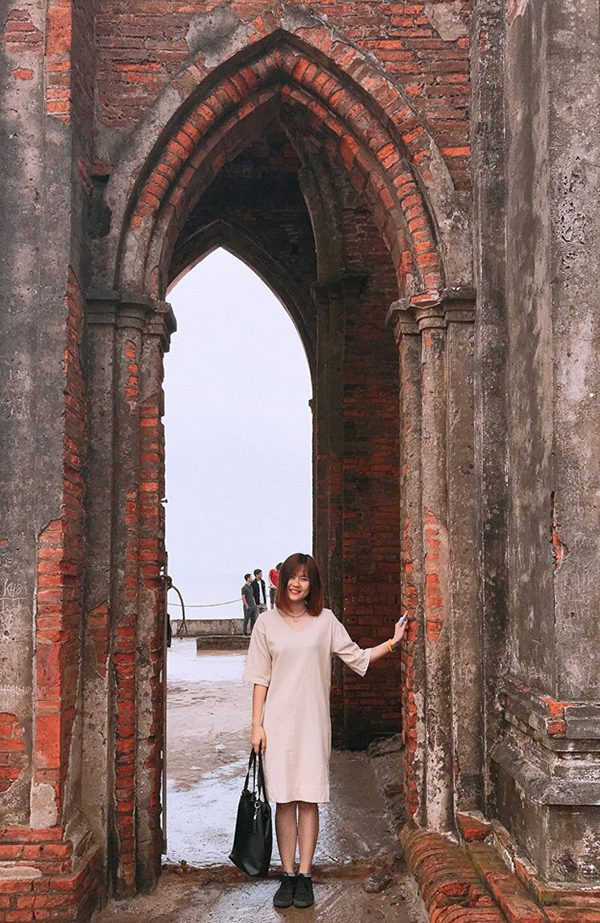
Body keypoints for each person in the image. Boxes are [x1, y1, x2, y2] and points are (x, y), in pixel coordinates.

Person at [243, 552, 407, 910]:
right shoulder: (266, 624)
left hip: (314, 722)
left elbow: (357, 657)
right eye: (291, 576)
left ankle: (305, 876)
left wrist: (393, 642)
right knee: (284, 800)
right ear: (281, 580)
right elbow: (259, 679)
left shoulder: (326, 621)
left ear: (312, 584)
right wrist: (256, 725)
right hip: (278, 723)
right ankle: (286, 875)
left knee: (309, 798)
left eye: (304, 578)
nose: (296, 583)